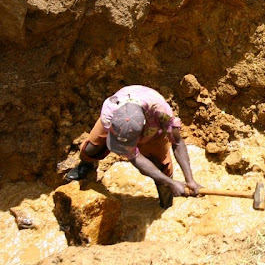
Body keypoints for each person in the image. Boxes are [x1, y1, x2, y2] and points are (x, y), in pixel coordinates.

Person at [65, 85, 202, 208]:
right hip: (118, 128)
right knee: (91, 147)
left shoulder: (161, 113)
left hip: (153, 133)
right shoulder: (110, 110)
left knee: (162, 167)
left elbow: (177, 142)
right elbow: (134, 157)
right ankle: (86, 165)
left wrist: (189, 180)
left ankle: (166, 201)